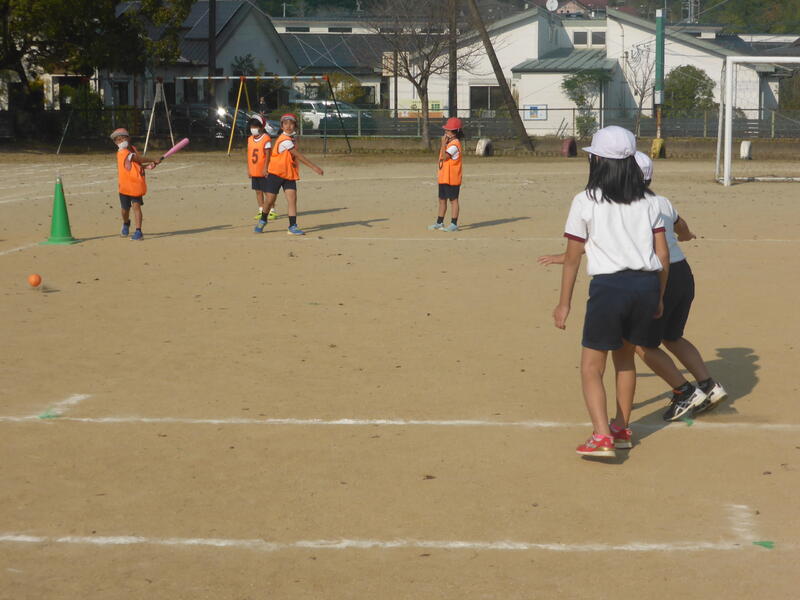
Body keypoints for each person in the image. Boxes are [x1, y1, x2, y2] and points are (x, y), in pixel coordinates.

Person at [540, 151, 727, 427]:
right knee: (672, 336)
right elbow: (682, 227)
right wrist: (686, 236)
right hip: (681, 273)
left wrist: (569, 260)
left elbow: (615, 245)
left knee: (641, 344)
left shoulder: (617, 202)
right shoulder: (660, 202)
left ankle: (684, 391)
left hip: (654, 276)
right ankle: (708, 385)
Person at [551, 126, 669, 458]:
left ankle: (602, 435)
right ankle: (621, 428)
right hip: (645, 286)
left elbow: (573, 257)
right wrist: (659, 296)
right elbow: (662, 255)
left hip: (610, 288)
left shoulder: (585, 200)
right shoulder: (650, 200)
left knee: (591, 367)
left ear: (598, 161)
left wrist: (563, 303)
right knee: (626, 359)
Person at [263, 113, 324, 236]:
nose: (288, 126)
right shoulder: (284, 140)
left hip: (289, 175)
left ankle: (292, 226)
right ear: (282, 126)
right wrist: (314, 167)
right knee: (270, 200)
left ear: (295, 126)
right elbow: (298, 156)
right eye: (285, 124)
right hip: (275, 174)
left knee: (292, 200)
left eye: (291, 124)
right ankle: (263, 219)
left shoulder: (291, 139)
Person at [110, 128, 160, 241]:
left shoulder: (133, 149)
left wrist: (147, 166)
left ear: (128, 138)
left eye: (122, 138)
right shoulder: (122, 152)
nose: (120, 141)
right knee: (125, 210)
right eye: (117, 140)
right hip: (124, 186)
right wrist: (153, 159)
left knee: (136, 207)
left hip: (136, 184)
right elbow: (138, 159)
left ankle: (138, 231)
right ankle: (126, 223)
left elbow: (137, 164)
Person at [429, 117, 463, 232]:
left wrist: (443, 143)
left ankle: (454, 224)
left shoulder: (454, 144)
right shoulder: (449, 143)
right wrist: (445, 143)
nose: (445, 132)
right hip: (444, 177)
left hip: (452, 178)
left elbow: (445, 157)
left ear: (454, 132)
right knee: (442, 199)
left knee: (453, 200)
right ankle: (439, 222)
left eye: (448, 130)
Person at [247, 115, 273, 233]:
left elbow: (268, 154)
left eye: (255, 126)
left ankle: (271, 210)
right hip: (254, 170)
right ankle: (261, 209)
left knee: (268, 192)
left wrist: (266, 167)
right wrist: (249, 169)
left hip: (263, 170)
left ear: (261, 127)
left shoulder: (265, 138)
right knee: (258, 191)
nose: (253, 129)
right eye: (252, 126)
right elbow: (248, 154)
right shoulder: (250, 139)